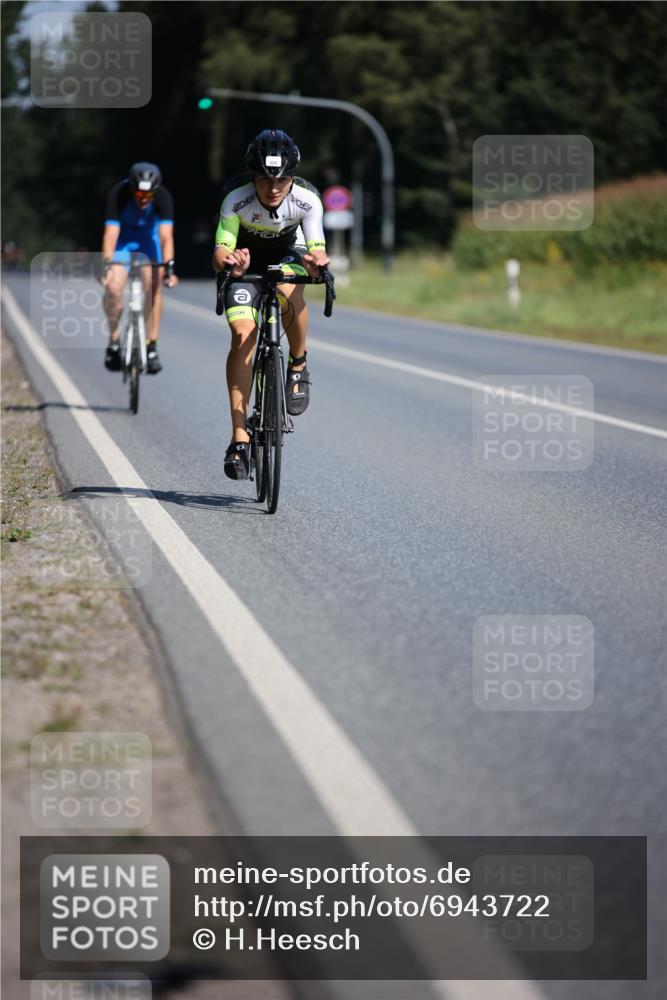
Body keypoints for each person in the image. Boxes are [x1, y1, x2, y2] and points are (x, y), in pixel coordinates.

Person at [212, 129, 330, 480]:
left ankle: (298, 363)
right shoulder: (236, 199)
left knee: (291, 289)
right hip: (243, 264)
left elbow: (316, 247)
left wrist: (315, 262)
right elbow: (219, 251)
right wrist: (231, 262)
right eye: (264, 178)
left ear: (293, 176)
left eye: (282, 179)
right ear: (253, 176)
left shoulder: (307, 200)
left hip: (286, 257)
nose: (273, 187)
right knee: (242, 334)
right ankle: (239, 437)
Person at [101, 162, 178, 374]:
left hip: (148, 242)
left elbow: (165, 236)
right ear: (132, 188)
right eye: (139, 194)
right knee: (113, 288)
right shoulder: (118, 194)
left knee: (154, 286)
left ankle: (151, 345)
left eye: (148, 196)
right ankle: (115, 341)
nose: (143, 199)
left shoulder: (163, 197)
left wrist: (169, 267)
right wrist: (107, 265)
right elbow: (110, 234)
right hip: (123, 242)